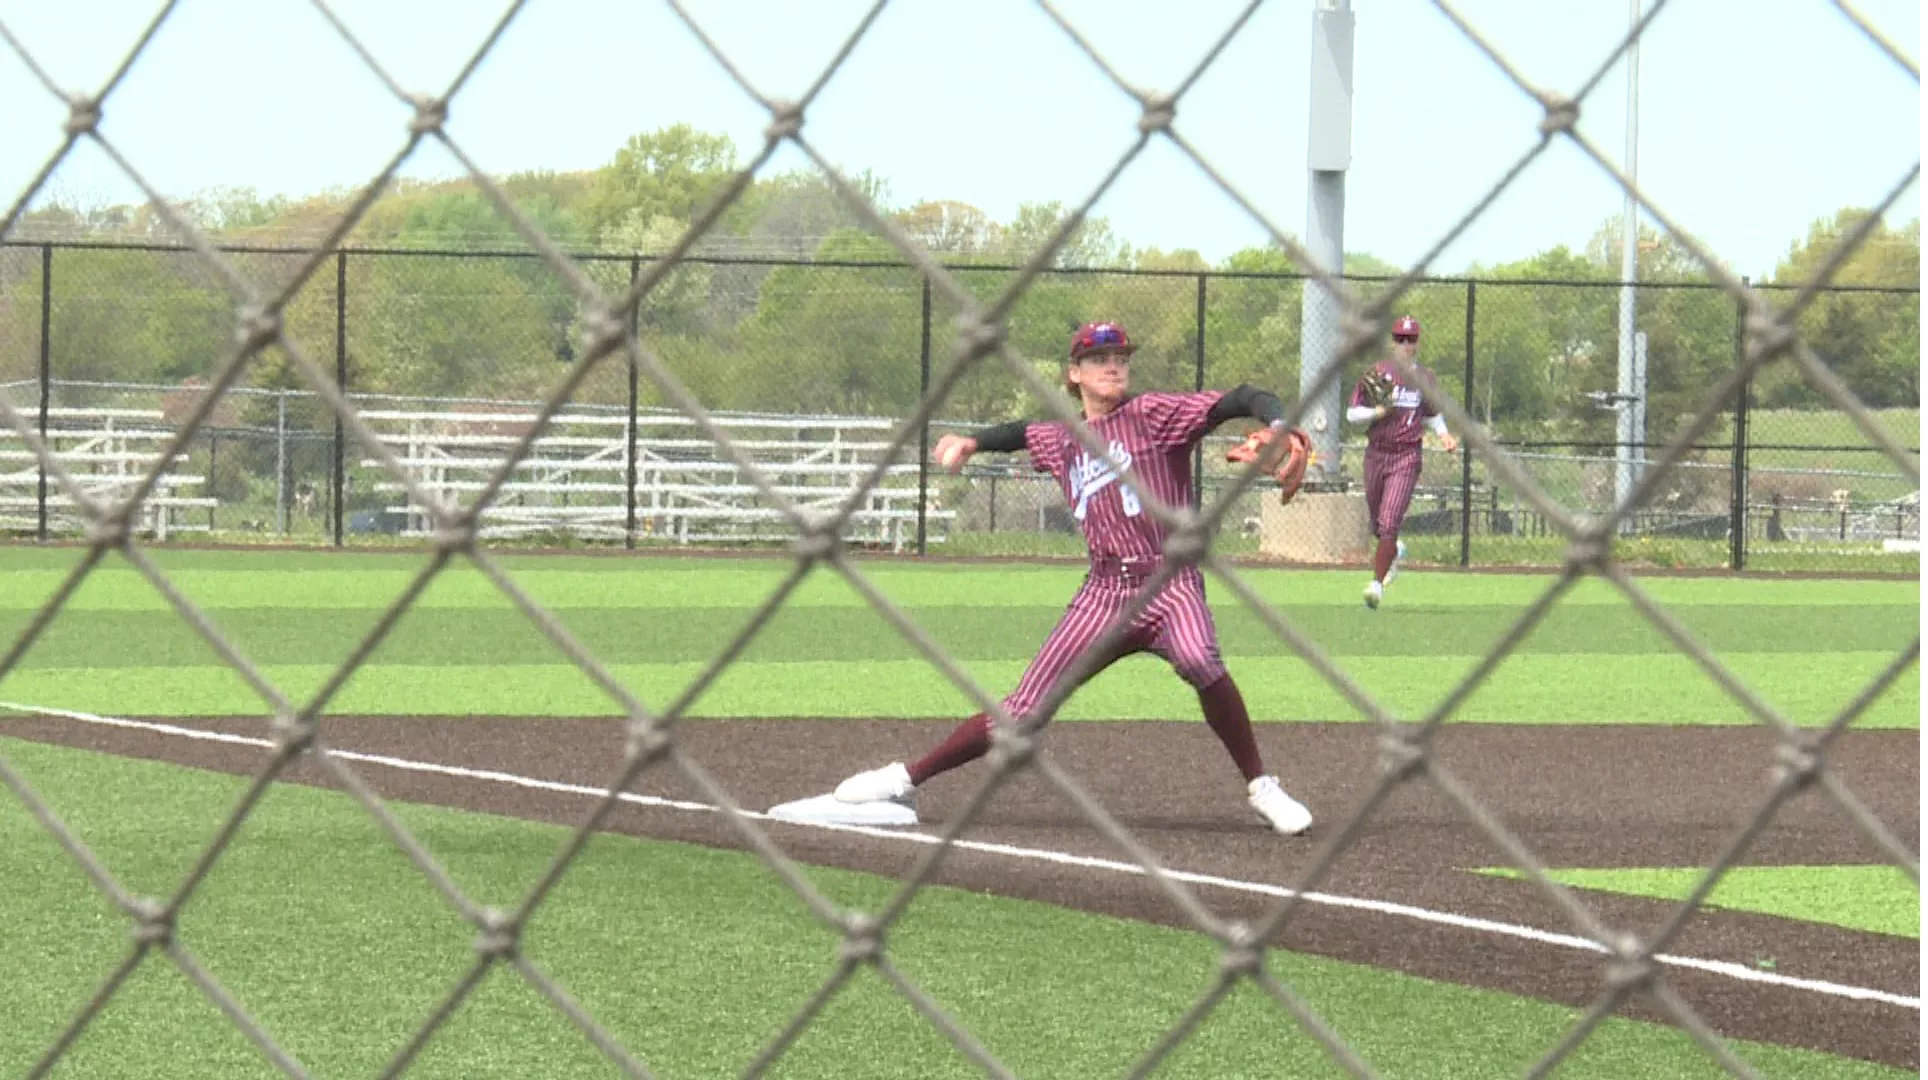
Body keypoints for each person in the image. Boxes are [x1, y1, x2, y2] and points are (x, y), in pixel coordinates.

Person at [831, 320, 1316, 835]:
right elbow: (1021, 433)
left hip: (1169, 581)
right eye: (1099, 358)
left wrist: (1279, 420)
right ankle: (905, 777)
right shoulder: (1063, 438)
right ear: (1074, 373)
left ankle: (1262, 787)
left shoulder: (1153, 415)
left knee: (1199, 657)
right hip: (1104, 594)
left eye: (1121, 358)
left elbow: (1239, 398)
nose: (1113, 366)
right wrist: (972, 441)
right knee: (1018, 715)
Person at [1346, 314, 1459, 610]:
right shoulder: (1377, 373)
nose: (1405, 344)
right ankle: (1394, 551)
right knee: (1377, 525)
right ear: (1392, 342)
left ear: (1418, 343)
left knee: (1389, 521)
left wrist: (1444, 435)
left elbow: (1432, 413)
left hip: (1406, 454)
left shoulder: (1426, 378)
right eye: (1399, 338)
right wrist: (1377, 413)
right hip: (1376, 453)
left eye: (1410, 339)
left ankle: (1376, 585)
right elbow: (1352, 415)